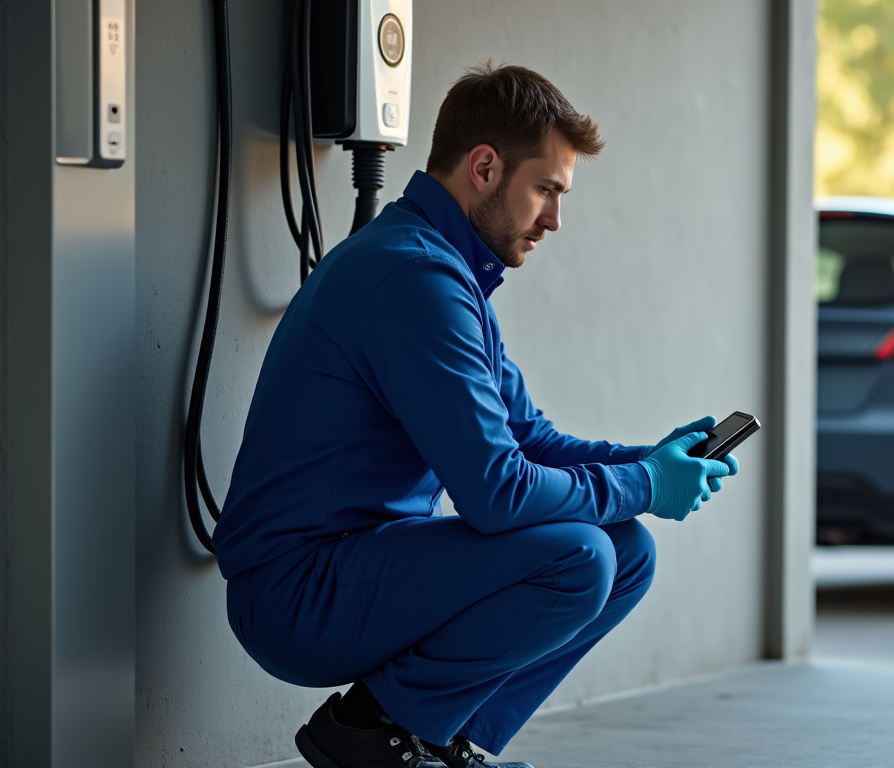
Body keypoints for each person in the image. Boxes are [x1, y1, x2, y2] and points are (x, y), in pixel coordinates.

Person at [213, 63, 739, 768]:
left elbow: (531, 441)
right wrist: (645, 482)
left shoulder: (444, 275)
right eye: (546, 190)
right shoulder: (414, 281)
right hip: (296, 594)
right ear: (484, 167)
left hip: (357, 565)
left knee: (626, 551)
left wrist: (649, 461)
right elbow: (497, 494)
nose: (554, 219)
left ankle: (440, 739)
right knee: (577, 558)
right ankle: (373, 733)